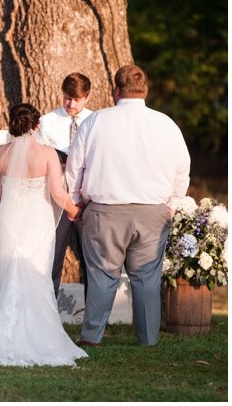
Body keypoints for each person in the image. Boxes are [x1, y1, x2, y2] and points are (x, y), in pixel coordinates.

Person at [0, 103, 88, 367]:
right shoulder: (47, 153)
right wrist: (76, 211)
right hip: (37, 219)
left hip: (10, 218)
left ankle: (2, 334)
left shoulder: (0, 153)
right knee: (36, 273)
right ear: (37, 125)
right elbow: (58, 194)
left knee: (10, 271)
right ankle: (42, 335)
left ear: (12, 123)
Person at [67, 64, 190, 347]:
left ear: (116, 91)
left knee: (101, 275)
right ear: (144, 91)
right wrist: (173, 203)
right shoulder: (166, 124)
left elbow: (74, 167)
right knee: (147, 277)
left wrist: (76, 201)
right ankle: (148, 338)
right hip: (152, 212)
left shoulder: (95, 121)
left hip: (104, 211)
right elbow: (182, 168)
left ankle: (92, 336)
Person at [38, 72, 93, 297]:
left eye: (76, 99)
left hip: (87, 200)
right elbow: (37, 158)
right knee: (52, 258)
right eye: (67, 98)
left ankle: (94, 318)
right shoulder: (48, 121)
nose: (70, 104)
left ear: (87, 97)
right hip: (55, 200)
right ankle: (47, 314)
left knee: (91, 261)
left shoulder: (95, 121)